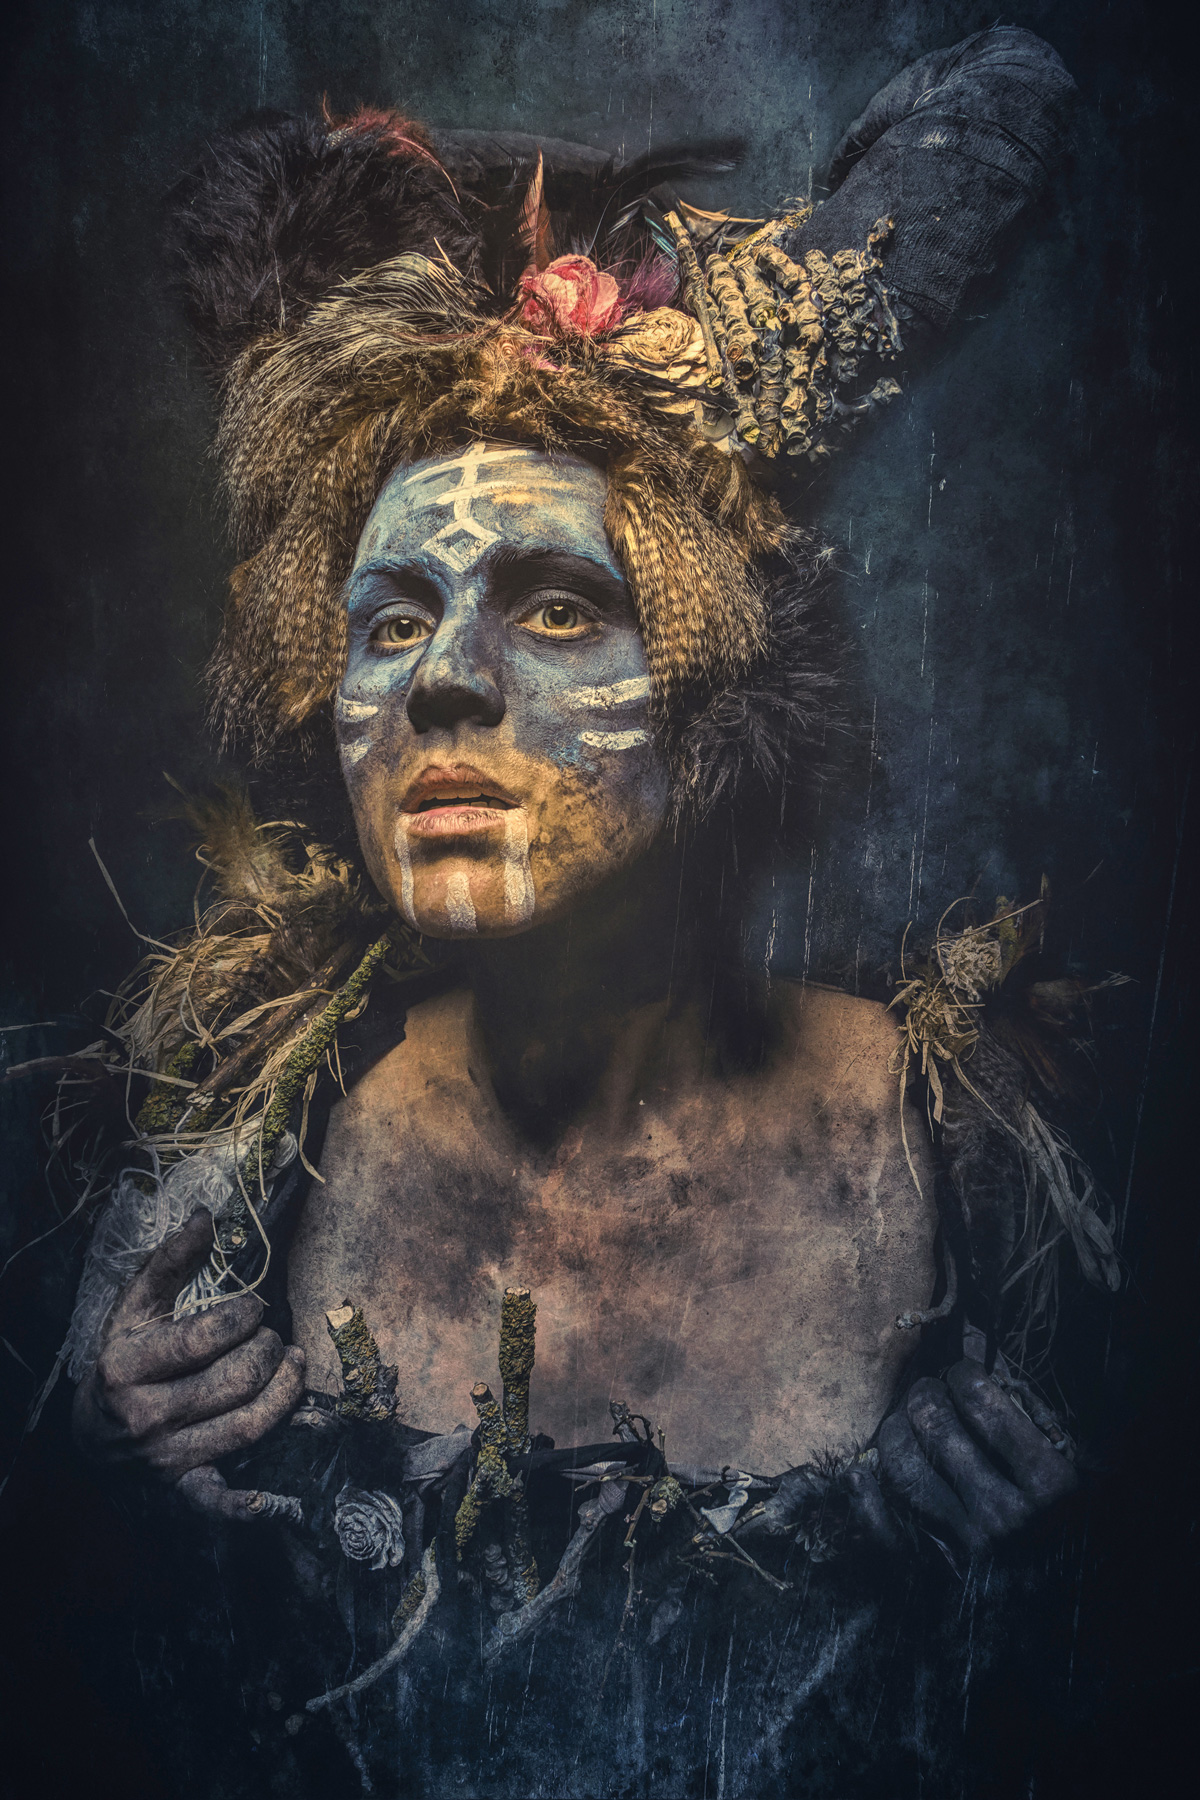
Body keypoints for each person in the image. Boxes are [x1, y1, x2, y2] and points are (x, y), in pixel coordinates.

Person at [61, 24, 1113, 1792]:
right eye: (387, 621)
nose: (441, 689)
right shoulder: (242, 1156)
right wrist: (102, 1453)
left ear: (716, 695)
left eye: (554, 606)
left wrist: (1042, 1580)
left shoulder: (959, 1149)